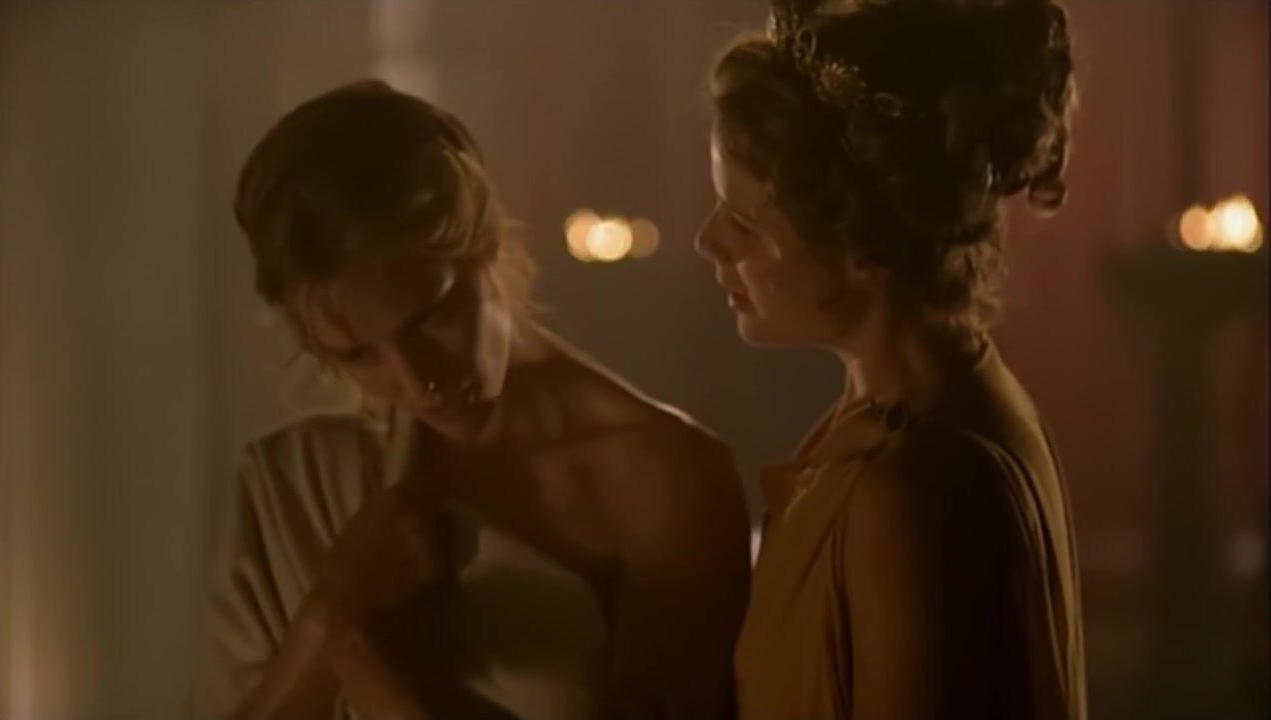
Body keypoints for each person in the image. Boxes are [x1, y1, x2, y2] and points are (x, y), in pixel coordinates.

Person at [192, 80, 750, 720]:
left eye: (430, 317)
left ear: (483, 240)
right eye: (358, 355)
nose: (417, 380)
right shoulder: (293, 483)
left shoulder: (665, 477)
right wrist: (329, 618)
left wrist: (396, 698)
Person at [695, 0, 1085, 717]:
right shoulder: (894, 414)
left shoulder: (909, 488)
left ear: (860, 244)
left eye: (745, 220)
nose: (709, 242)